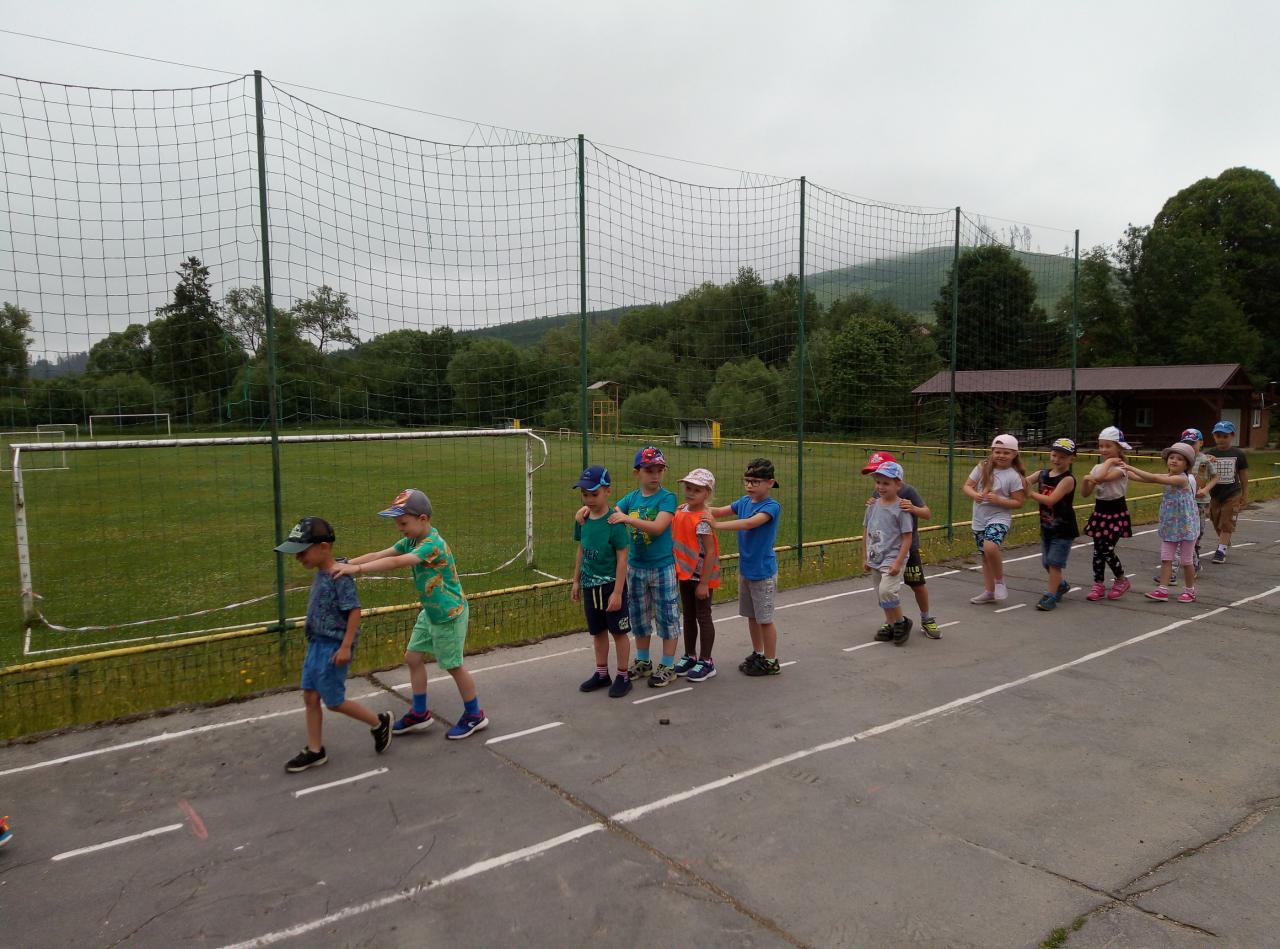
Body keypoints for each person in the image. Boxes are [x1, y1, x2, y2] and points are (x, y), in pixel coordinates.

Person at [333, 489, 489, 739]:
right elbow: (380, 555)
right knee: (413, 657)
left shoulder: (432, 545)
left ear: (422, 519)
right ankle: (419, 713)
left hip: (449, 615)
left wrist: (358, 570)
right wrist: (346, 564)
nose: (399, 528)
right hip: (431, 613)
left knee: (453, 666)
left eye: (403, 523)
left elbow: (397, 562)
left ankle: (475, 715)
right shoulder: (411, 540)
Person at [274, 516, 392, 772]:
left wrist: (346, 646)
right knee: (310, 696)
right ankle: (315, 750)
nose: (298, 558)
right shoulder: (324, 571)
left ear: (323, 547)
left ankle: (379, 722)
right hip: (316, 644)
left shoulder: (340, 575)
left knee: (334, 701)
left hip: (333, 647)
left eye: (302, 551)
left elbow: (354, 610)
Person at [606, 446, 682, 688]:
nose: (655, 475)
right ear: (637, 472)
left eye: (659, 470)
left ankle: (668, 665)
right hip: (636, 567)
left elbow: (658, 528)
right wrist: (587, 509)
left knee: (667, 616)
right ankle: (643, 661)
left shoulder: (667, 498)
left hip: (662, 567)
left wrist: (627, 519)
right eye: (649, 470)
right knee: (639, 616)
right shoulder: (631, 498)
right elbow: (611, 512)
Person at [705, 458, 783, 676]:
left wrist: (717, 525)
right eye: (747, 481)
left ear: (770, 483)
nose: (749, 485)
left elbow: (749, 523)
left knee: (764, 620)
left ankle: (771, 661)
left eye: (755, 482)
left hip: (763, 573)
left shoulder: (771, 507)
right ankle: (759, 652)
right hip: (746, 571)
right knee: (752, 616)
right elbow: (720, 510)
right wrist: (696, 508)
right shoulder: (744, 502)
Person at [861, 450, 941, 638]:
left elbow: (927, 513)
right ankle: (891, 622)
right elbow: (874, 519)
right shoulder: (880, 490)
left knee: (917, 584)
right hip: (883, 548)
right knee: (883, 589)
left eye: (881, 476)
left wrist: (913, 508)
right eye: (875, 477)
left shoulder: (908, 491)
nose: (879, 485)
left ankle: (926, 618)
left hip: (906, 548)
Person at [570, 464, 633, 698]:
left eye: (594, 494)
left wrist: (617, 591)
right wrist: (576, 580)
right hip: (590, 586)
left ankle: (623, 675)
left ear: (607, 491)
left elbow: (622, 558)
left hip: (610, 586)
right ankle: (601, 672)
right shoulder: (582, 519)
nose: (589, 500)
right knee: (597, 632)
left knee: (618, 632)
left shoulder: (614, 523)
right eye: (584, 494)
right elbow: (582, 549)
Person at [1122, 444, 1199, 602]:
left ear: (1187, 465)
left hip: (1186, 526)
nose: (1174, 461)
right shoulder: (1168, 476)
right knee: (1166, 558)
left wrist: (1129, 467)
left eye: (1179, 459)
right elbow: (1141, 478)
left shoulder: (1181, 479)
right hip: (1170, 525)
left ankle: (1190, 590)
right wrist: (1121, 470)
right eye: (1171, 457)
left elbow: (1153, 478)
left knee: (1186, 561)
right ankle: (1162, 590)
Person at [963, 435, 1027, 604]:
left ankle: (999, 581)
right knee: (985, 556)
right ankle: (989, 591)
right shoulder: (983, 467)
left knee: (990, 547)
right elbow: (967, 486)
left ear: (1014, 454)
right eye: (998, 452)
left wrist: (999, 500)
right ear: (992, 452)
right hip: (980, 518)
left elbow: (1018, 502)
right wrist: (975, 494)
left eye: (1006, 452)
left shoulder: (1013, 476)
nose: (1001, 455)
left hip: (999, 517)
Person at [672, 468, 721, 682]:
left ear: (707, 493)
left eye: (697, 490)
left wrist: (704, 583)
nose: (691, 493)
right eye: (688, 488)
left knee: (703, 616)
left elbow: (710, 552)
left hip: (701, 577)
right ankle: (690, 655)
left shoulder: (703, 520)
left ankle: (706, 661)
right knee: (689, 616)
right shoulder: (681, 511)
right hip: (684, 574)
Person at [862, 460, 915, 645]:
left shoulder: (901, 509)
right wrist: (865, 556)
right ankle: (891, 624)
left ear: (898, 485)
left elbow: (907, 537)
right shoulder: (872, 506)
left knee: (887, 591)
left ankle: (901, 622)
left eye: (886, 483)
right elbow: (866, 532)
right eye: (878, 482)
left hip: (892, 557)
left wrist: (898, 562)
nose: (881, 487)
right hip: (875, 556)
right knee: (880, 593)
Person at [1024, 438, 1079, 611]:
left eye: (1062, 457)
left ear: (1071, 459)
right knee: (1046, 562)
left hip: (1063, 529)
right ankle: (1060, 585)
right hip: (1047, 527)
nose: (1057, 459)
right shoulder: (1042, 474)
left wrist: (1030, 494)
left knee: (1055, 563)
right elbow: (1024, 481)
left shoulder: (1067, 480)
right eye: (1054, 455)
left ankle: (1050, 596)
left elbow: (1051, 500)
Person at [1080, 426, 1133, 601]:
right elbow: (1085, 493)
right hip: (1100, 512)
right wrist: (1086, 480)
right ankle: (1098, 583)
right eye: (1101, 446)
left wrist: (1109, 463)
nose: (1103, 450)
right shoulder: (1097, 467)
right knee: (1098, 551)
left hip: (1116, 513)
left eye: (1108, 446)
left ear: (1118, 448)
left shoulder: (1121, 467)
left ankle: (1121, 579)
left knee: (1106, 549)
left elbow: (1101, 478)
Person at [1205, 420, 1249, 563]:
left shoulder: (1238, 454)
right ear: (1214, 436)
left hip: (1232, 493)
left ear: (1232, 436)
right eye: (1218, 436)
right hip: (1215, 494)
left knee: (1227, 521)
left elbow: (1243, 475)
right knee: (1215, 519)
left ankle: (1221, 550)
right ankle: (1225, 540)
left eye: (1225, 436)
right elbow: (1202, 474)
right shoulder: (1209, 453)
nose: (1222, 439)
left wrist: (1245, 494)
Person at [1180, 428, 1218, 575]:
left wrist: (1206, 489)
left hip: (1200, 501)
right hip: (1185, 500)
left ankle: (1194, 549)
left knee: (1199, 529)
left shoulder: (1205, 460)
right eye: (1186, 443)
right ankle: (1191, 557)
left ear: (1201, 443)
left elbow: (1215, 477)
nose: (1189, 446)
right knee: (1186, 529)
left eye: (1192, 443)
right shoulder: (1182, 459)